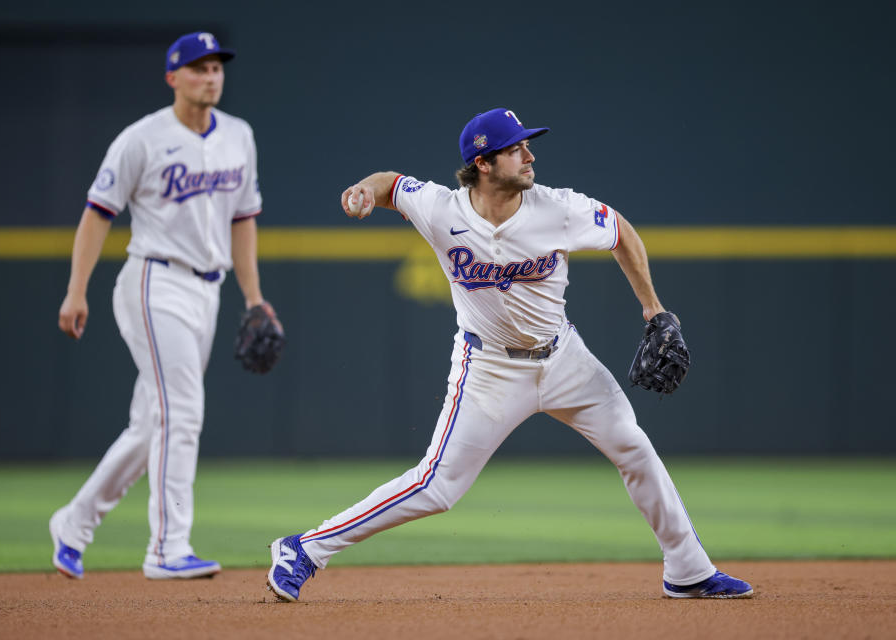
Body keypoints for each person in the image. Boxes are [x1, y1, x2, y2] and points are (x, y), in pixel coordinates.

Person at [266, 108, 753, 601]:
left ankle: (688, 570)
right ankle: (304, 549)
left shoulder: (559, 209)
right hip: (489, 370)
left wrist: (654, 310)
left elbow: (621, 231)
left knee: (633, 445)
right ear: (483, 162)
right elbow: (391, 184)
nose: (529, 155)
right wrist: (366, 189)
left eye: (527, 145)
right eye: (516, 148)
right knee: (437, 487)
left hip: (565, 360)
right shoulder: (441, 209)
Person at [50, 31, 278, 579]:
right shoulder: (141, 139)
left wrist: (253, 297)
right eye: (198, 68)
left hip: (208, 288)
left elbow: (243, 221)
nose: (211, 76)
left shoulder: (239, 137)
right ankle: (167, 548)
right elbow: (97, 213)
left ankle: (74, 523)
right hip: (154, 282)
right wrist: (76, 289)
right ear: (172, 77)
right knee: (183, 410)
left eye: (217, 67)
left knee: (154, 419)